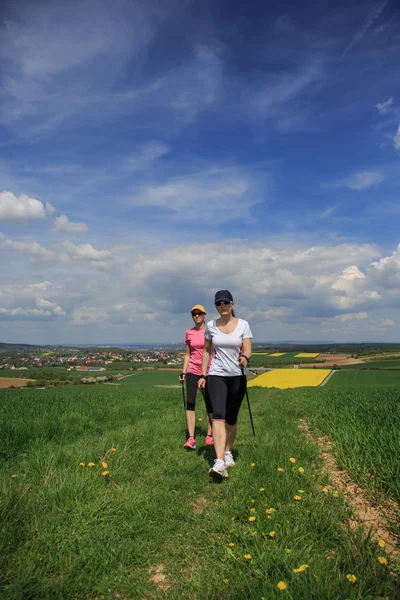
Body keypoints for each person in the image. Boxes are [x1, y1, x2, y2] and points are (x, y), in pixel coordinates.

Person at [198, 290, 252, 479]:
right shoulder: (211, 326)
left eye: (225, 303)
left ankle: (228, 451)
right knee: (218, 417)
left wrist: (245, 357)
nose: (222, 306)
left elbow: (247, 348)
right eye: (219, 304)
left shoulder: (243, 325)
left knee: (231, 418)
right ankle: (219, 461)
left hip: (237, 376)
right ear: (216, 306)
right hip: (216, 375)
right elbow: (206, 352)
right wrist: (203, 374)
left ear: (232, 304)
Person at [179, 304, 213, 450]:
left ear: (204, 315)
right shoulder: (189, 333)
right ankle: (191, 438)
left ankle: (210, 434)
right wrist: (184, 371)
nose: (197, 316)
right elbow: (187, 354)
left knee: (209, 402)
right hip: (192, 369)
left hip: (208, 370)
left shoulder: (211, 330)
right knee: (190, 402)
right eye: (194, 314)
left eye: (199, 313)